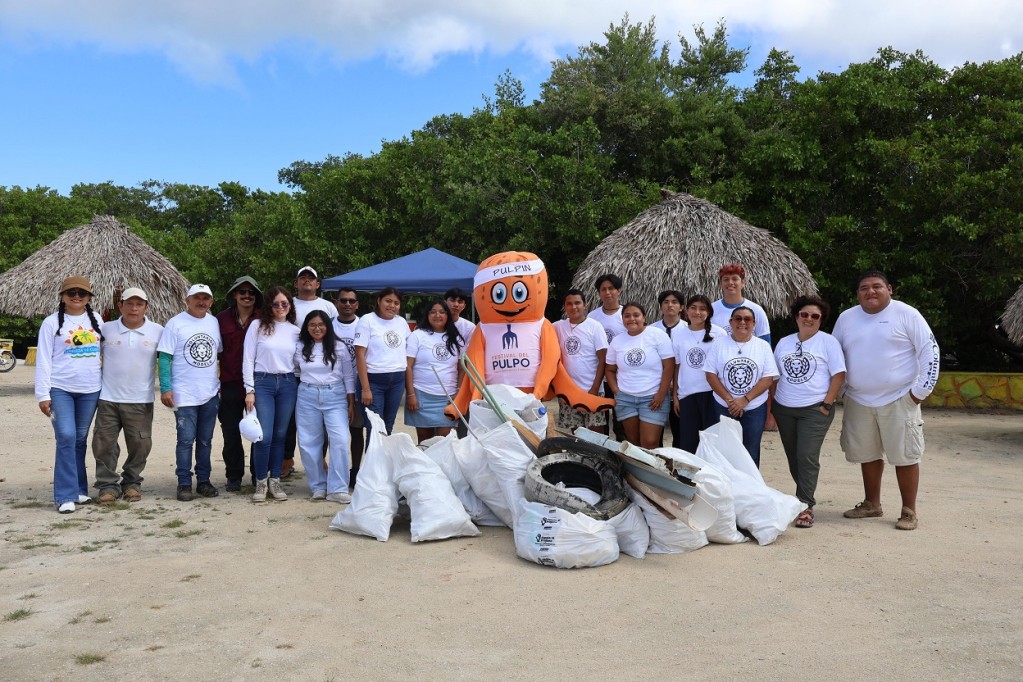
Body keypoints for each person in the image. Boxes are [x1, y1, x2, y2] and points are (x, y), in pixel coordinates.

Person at [832, 271, 939, 531]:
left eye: (876, 286)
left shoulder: (907, 314)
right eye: (864, 288)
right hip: (858, 399)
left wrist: (919, 392)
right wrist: (843, 391)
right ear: (857, 293)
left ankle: (909, 510)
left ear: (889, 289)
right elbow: (833, 354)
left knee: (905, 456)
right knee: (867, 453)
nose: (870, 291)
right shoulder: (847, 318)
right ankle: (872, 504)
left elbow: (929, 350)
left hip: (900, 398)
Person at [770, 295, 846, 528]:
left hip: (815, 408)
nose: (809, 319)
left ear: (821, 320)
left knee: (806, 455)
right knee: (794, 457)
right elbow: (774, 376)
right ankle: (802, 497)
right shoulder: (784, 342)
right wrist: (771, 408)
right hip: (784, 408)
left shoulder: (828, 342)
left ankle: (805, 504)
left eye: (815, 316)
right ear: (796, 317)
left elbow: (839, 374)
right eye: (804, 314)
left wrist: (827, 404)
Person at [35, 276, 103, 514]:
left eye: (81, 293)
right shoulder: (51, 323)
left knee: (79, 440)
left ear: (89, 298)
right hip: (60, 388)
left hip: (90, 389)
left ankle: (79, 490)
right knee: (66, 436)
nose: (76, 296)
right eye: (71, 292)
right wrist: (43, 394)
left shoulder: (98, 321)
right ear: (62, 296)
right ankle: (65, 495)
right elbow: (43, 359)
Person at [91, 287, 163, 504]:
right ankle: (107, 485)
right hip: (108, 397)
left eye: (139, 304)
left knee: (140, 444)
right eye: (129, 303)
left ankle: (132, 482)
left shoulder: (158, 331)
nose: (134, 308)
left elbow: (170, 361)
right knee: (103, 443)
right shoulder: (105, 329)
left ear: (146, 307)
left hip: (141, 399)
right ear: (120, 306)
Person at [158, 284, 223, 502]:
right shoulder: (175, 323)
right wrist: (166, 387)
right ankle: (184, 482)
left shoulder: (214, 322)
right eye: (197, 297)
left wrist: (220, 381)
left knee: (205, 440)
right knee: (185, 440)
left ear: (211, 302)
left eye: (206, 298)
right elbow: (165, 357)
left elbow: (218, 354)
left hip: (210, 392)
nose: (201, 301)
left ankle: (203, 480)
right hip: (184, 393)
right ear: (187, 299)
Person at [243, 286, 300, 502]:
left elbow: (298, 362)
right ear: (269, 305)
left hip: (287, 383)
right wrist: (250, 389)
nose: (280, 307)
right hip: (263, 382)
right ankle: (260, 482)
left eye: (284, 303)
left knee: (280, 436)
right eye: (276, 304)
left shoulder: (294, 331)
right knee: (263, 436)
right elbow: (248, 358)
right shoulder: (257, 326)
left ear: (290, 305)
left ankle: (275, 480)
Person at [704, 306, 779, 467]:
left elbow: (768, 378)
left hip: (754, 407)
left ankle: (751, 489)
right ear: (731, 322)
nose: (742, 322)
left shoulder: (762, 346)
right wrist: (730, 400)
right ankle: (728, 489)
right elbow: (710, 375)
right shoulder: (719, 344)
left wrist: (745, 400)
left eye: (747, 319)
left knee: (751, 452)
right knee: (725, 451)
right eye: (738, 318)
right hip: (724, 406)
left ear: (754, 323)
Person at [294, 310, 355, 504]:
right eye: (312, 325)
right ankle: (318, 486)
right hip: (307, 395)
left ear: (328, 326)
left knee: (340, 439)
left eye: (321, 324)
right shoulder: (300, 346)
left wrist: (351, 401)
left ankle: (338, 488)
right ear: (307, 327)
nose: (317, 328)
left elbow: (348, 375)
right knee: (308, 442)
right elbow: (295, 370)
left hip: (335, 395)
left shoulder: (338, 346)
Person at [285, 265, 337, 477]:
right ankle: (287, 460)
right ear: (296, 283)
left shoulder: (328, 307)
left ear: (317, 284)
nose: (306, 280)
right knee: (289, 420)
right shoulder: (288, 305)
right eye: (302, 278)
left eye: (311, 278)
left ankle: (319, 460)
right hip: (291, 371)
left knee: (321, 421)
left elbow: (333, 336)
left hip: (320, 373)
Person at [604, 302, 675, 449]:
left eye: (636, 315)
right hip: (626, 398)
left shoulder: (657, 335)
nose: (632, 319)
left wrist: (662, 394)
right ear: (622, 319)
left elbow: (669, 366)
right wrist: (617, 392)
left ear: (644, 317)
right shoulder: (617, 341)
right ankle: (635, 472)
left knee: (649, 443)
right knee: (633, 442)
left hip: (653, 397)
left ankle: (651, 472)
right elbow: (609, 370)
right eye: (627, 316)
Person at [216, 275, 263, 491]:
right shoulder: (220, 319)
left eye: (251, 292)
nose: (247, 296)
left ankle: (258, 474)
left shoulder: (265, 318)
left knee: (258, 431)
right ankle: (233, 475)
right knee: (231, 432)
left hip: (258, 383)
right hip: (230, 382)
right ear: (234, 295)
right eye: (242, 292)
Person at [671, 295, 727, 454]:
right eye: (693, 308)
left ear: (709, 312)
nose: (697, 312)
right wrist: (675, 395)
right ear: (686, 310)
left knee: (711, 442)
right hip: (687, 394)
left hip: (712, 395)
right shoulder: (679, 334)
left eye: (702, 309)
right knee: (688, 442)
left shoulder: (719, 334)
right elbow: (677, 366)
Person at [404, 300, 463, 443]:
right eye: (433, 312)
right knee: (425, 441)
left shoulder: (456, 338)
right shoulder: (417, 335)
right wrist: (411, 394)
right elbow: (408, 366)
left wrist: (458, 392)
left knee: (445, 441)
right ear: (427, 315)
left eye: (442, 312)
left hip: (448, 398)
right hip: (421, 395)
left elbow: (462, 369)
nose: (438, 315)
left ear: (448, 315)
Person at [354, 287, 410, 437]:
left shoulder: (402, 322)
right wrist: (365, 389)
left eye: (396, 303)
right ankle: (373, 461)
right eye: (388, 301)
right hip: (373, 382)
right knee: (375, 430)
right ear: (379, 301)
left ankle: (384, 461)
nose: (392, 306)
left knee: (388, 428)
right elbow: (359, 354)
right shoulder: (367, 320)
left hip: (397, 381)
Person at [552, 289, 608, 434]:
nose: (573, 307)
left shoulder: (594, 326)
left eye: (577, 303)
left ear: (585, 305)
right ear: (565, 307)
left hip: (592, 390)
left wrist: (595, 388)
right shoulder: (558, 326)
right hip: (568, 391)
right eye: (569, 304)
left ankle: (597, 458)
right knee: (576, 434)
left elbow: (603, 360)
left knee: (596, 434)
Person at [333, 287, 365, 486]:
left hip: (359, 386)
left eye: (351, 301)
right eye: (343, 300)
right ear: (337, 303)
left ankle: (356, 470)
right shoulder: (329, 325)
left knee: (356, 430)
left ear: (357, 304)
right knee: (332, 433)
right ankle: (333, 470)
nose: (347, 304)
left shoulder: (364, 325)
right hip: (334, 386)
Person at [651, 289, 684, 446]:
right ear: (660, 306)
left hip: (680, 389)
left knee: (680, 433)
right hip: (655, 388)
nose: (670, 305)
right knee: (655, 433)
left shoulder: (688, 330)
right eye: (666, 302)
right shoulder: (651, 330)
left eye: (674, 302)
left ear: (681, 307)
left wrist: (675, 385)